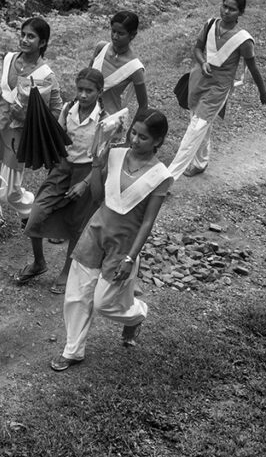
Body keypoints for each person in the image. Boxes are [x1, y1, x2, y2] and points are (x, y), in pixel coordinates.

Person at [50, 108, 174, 372]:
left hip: (124, 245)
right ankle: (73, 350)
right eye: (133, 133)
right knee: (76, 295)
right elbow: (98, 197)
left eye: (143, 137)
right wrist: (97, 165)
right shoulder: (116, 155)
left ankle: (136, 314)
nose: (135, 140)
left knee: (104, 303)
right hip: (96, 231)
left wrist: (130, 258)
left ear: (158, 141)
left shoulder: (160, 176)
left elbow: (147, 222)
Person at [0, 17, 62, 254]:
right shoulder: (9, 59)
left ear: (42, 42)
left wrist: (30, 117)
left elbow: (55, 110)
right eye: (23, 34)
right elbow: (4, 93)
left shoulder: (46, 74)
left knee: (10, 192)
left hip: (18, 134)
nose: (24, 40)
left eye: (31, 36)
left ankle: (30, 210)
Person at [13, 68, 106, 294]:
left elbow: (104, 159)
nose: (83, 95)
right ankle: (39, 262)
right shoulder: (68, 109)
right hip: (62, 168)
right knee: (36, 213)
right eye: (80, 89)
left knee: (77, 224)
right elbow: (57, 137)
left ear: (100, 92)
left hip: (88, 172)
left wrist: (85, 184)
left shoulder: (104, 119)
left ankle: (66, 272)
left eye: (89, 91)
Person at [168, 0, 266, 179]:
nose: (226, 11)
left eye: (232, 9)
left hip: (218, 89)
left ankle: (167, 178)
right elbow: (197, 48)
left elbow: (253, 68)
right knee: (199, 124)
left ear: (241, 13)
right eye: (224, 6)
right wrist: (202, 62)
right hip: (198, 81)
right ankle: (200, 163)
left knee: (196, 127)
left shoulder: (243, 40)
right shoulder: (210, 25)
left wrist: (263, 93)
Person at [89, 11, 148, 117]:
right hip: (84, 109)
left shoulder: (135, 68)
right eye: (113, 31)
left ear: (132, 35)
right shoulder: (101, 48)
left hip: (108, 118)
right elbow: (86, 78)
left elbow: (143, 106)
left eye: (120, 33)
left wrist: (133, 127)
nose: (115, 36)